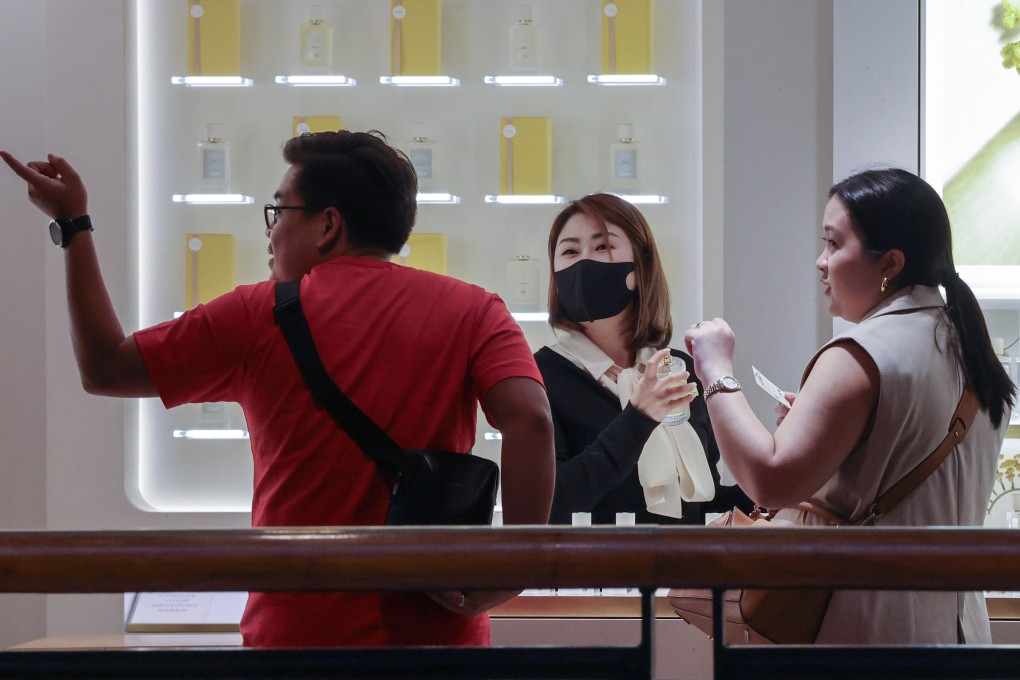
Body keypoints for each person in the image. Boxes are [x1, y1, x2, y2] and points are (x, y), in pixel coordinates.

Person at [0, 130, 555, 648]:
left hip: (297, 630)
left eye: (279, 211)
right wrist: (513, 571)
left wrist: (74, 227)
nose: (270, 231)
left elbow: (104, 368)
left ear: (327, 225)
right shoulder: (473, 308)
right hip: (437, 633)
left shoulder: (257, 314)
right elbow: (531, 420)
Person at [684, 168, 1015, 644]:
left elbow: (769, 480)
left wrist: (715, 370)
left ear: (890, 263)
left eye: (834, 244)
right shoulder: (968, 348)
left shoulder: (862, 353)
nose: (821, 262)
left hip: (869, 630)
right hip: (963, 634)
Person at [534, 192, 752, 526]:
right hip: (596, 573)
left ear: (640, 268)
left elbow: (699, 503)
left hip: (685, 573)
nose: (583, 263)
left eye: (603, 246)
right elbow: (552, 501)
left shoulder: (678, 369)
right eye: (569, 251)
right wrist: (638, 417)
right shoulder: (541, 374)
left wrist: (785, 479)